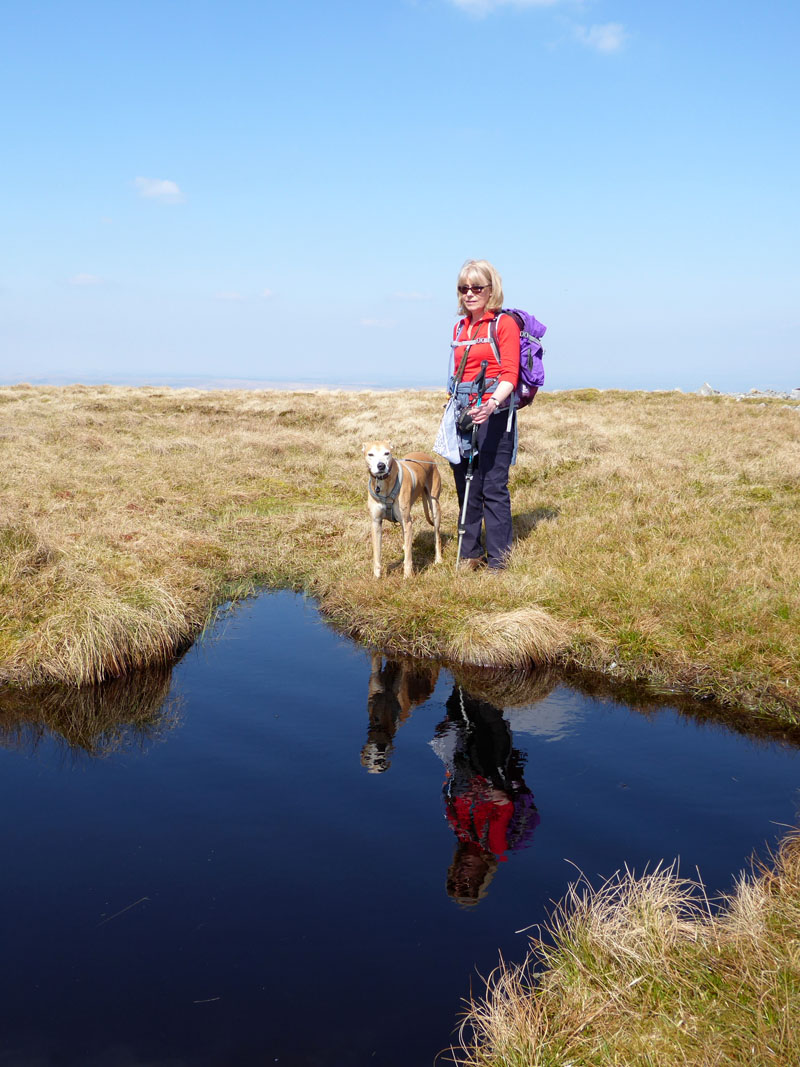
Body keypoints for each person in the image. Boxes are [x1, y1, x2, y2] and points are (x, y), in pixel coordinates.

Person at [449, 259, 520, 571]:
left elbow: (510, 374)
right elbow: (457, 374)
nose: (470, 293)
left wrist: (491, 404)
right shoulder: (460, 327)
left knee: (492, 486)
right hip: (464, 416)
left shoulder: (503, 325)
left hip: (496, 415)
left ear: (492, 290)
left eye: (477, 287)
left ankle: (500, 561)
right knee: (466, 487)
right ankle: (470, 555)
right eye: (464, 288)